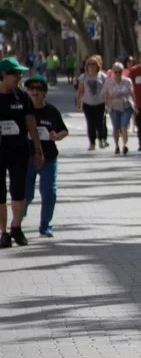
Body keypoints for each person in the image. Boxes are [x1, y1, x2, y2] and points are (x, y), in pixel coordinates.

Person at [0, 58, 46, 248]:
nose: (19, 76)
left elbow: (31, 124)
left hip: (19, 151)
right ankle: (3, 233)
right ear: (3, 75)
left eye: (20, 73)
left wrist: (38, 150)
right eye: (15, 73)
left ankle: (16, 227)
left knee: (18, 191)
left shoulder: (22, 96)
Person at [23, 75, 68, 238]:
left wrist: (57, 135)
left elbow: (64, 130)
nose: (34, 92)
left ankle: (45, 225)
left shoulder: (52, 111)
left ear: (45, 92)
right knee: (26, 194)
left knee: (49, 192)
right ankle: (19, 218)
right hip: (26, 158)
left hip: (49, 157)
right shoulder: (22, 110)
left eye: (39, 89)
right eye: (31, 88)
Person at [76, 56, 109, 151]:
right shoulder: (83, 77)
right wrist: (78, 104)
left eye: (93, 64)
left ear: (97, 65)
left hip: (100, 103)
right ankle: (92, 142)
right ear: (86, 66)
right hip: (87, 104)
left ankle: (101, 139)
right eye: (89, 64)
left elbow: (107, 90)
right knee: (90, 123)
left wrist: (108, 102)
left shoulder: (102, 76)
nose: (91, 66)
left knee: (100, 122)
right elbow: (80, 91)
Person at [102, 63, 134, 156]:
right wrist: (112, 96)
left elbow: (132, 94)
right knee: (116, 128)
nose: (118, 74)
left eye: (119, 72)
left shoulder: (128, 81)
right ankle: (117, 146)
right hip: (113, 107)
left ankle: (125, 145)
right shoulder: (108, 82)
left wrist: (135, 106)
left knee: (124, 126)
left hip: (126, 106)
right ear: (112, 72)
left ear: (122, 72)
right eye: (115, 72)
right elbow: (103, 95)